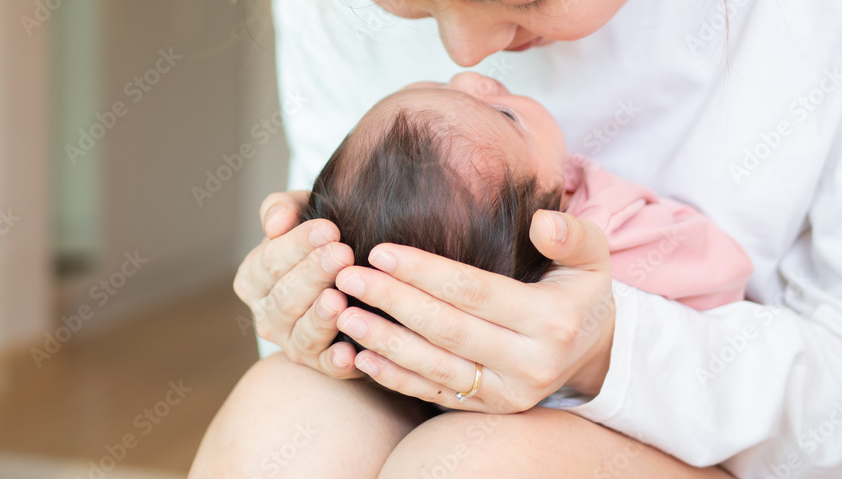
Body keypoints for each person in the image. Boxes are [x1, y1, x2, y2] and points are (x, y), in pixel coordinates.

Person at [189, 0, 842, 476]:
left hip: (747, 444)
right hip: (429, 406)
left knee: (474, 465)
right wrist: (320, 318)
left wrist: (608, 353)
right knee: (285, 413)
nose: (464, 56)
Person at [299, 72, 753, 354]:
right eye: (504, 115)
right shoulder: (605, 227)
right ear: (548, 221)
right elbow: (725, 271)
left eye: (434, 83)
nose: (472, 75)